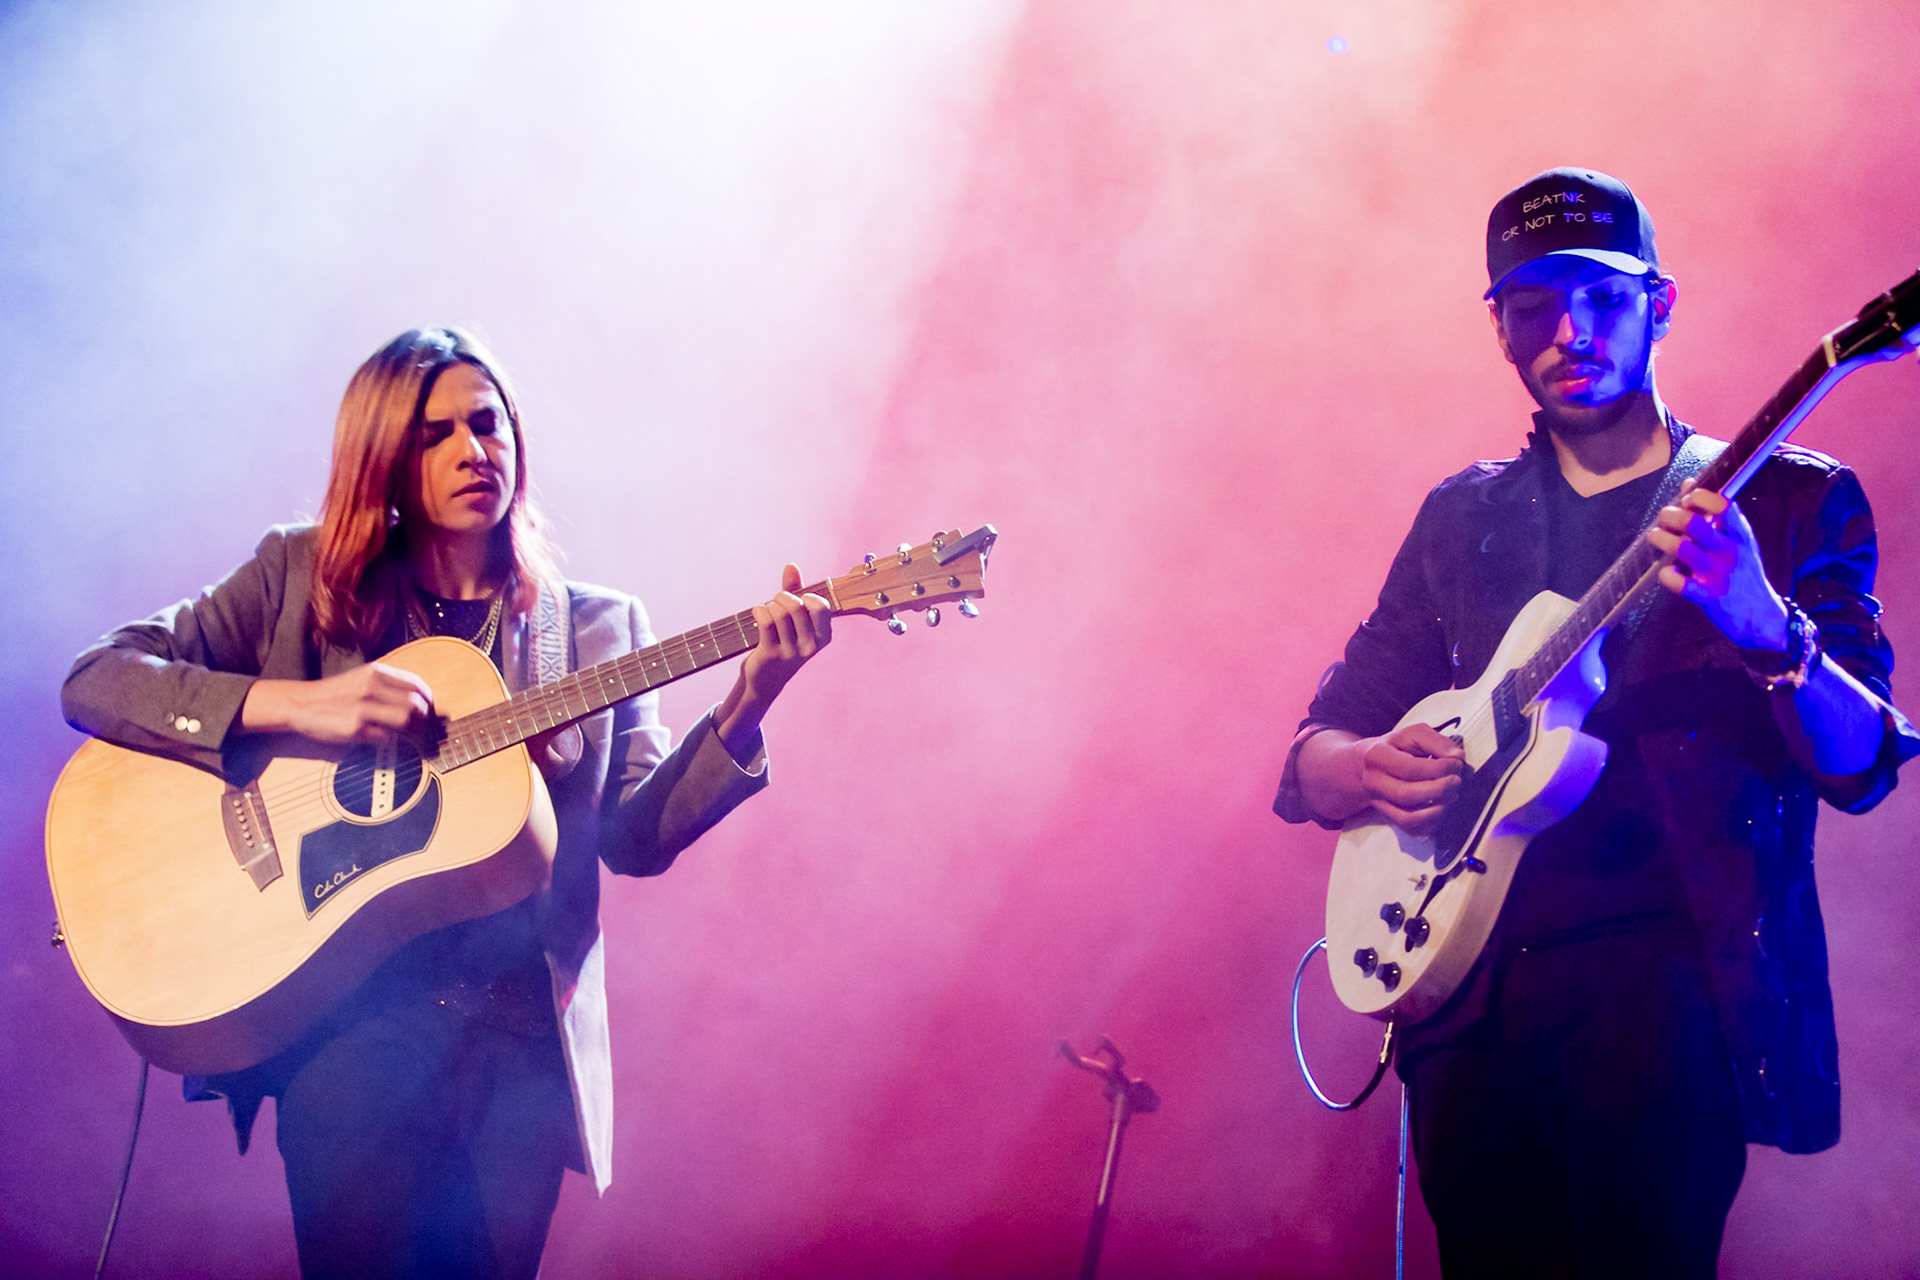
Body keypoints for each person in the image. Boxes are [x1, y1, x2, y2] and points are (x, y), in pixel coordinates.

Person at [61, 327, 832, 1278]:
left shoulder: (594, 627)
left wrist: (751, 701)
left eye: (488, 423)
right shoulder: (301, 580)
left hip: (519, 1055)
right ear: (384, 461)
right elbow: (100, 677)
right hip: (350, 1036)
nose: (474, 450)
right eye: (436, 435)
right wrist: (304, 704)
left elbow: (634, 839)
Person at [1273, 168, 1917, 1276]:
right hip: (1465, 1001)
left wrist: (1763, 620)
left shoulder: (1789, 495)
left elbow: (1863, 763)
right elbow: (1313, 756)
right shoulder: (1460, 514)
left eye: (1602, 298)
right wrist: (1369, 765)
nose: (1568, 330)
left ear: (1660, 304)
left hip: (1665, 994)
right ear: (1498, 323)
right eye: (1534, 305)